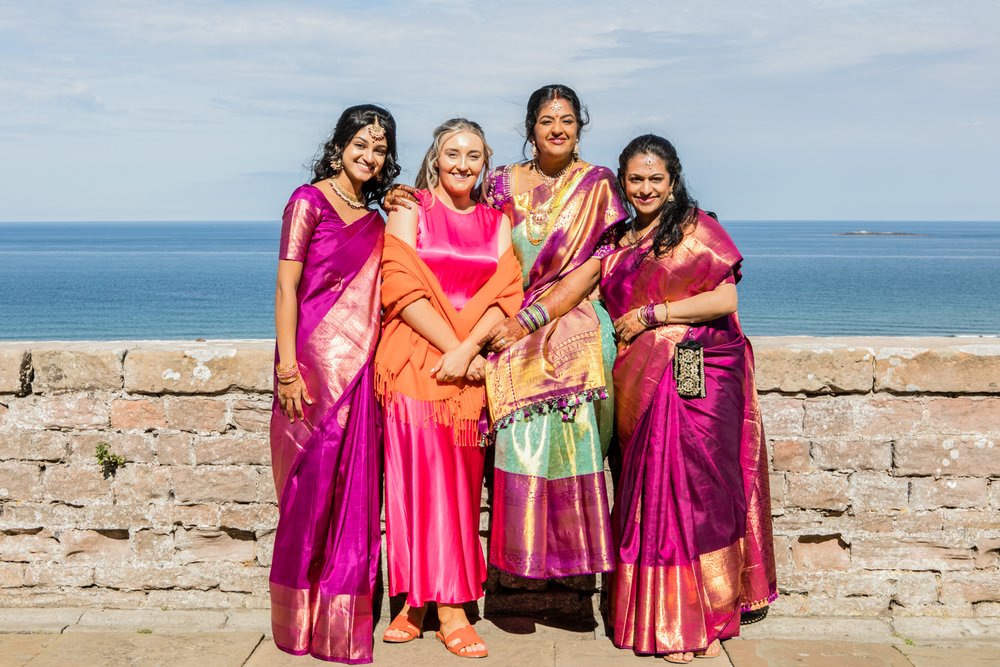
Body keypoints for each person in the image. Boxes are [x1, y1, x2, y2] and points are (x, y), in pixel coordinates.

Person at [598, 134, 777, 663]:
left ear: (673, 181)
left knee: (696, 494)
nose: (646, 188)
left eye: (656, 178)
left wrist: (656, 316)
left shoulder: (697, 230)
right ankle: (656, 614)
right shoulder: (619, 240)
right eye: (636, 179)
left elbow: (726, 296)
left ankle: (698, 617)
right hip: (640, 382)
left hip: (701, 374)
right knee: (649, 492)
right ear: (623, 183)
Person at [375, 118, 523, 659]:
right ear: (436, 158)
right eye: (453, 153)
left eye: (475, 156)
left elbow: (509, 295)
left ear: (486, 164)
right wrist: (453, 350)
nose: (463, 164)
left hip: (467, 377)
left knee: (458, 492)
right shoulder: (409, 208)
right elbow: (398, 286)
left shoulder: (496, 219)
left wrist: (467, 353)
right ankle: (416, 601)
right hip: (415, 364)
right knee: (412, 486)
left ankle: (453, 603)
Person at [478, 84, 629, 582]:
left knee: (581, 388)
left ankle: (574, 551)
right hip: (504, 311)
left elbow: (596, 265)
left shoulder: (598, 184)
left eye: (567, 120)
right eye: (547, 121)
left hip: (574, 313)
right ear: (530, 130)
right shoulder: (499, 183)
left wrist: (533, 319)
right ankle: (521, 551)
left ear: (579, 129)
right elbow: (469, 231)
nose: (557, 129)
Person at [268, 104, 400, 664]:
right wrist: (287, 371)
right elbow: (285, 287)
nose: (370, 156)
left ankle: (341, 623)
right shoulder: (308, 201)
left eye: (380, 148)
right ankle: (298, 622)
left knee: (354, 496)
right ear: (338, 145)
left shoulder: (376, 218)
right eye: (361, 145)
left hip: (360, 373)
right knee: (309, 495)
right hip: (310, 372)